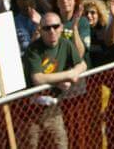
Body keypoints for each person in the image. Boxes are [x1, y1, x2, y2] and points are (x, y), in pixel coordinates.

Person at [22, 12, 87, 149]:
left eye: (55, 26)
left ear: (61, 28)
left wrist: (74, 72)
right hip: (29, 109)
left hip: (53, 107)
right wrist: (66, 76)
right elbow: (38, 78)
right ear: (40, 30)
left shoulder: (65, 43)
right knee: (30, 144)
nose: (52, 31)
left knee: (60, 143)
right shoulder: (34, 49)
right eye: (47, 28)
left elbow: (82, 64)